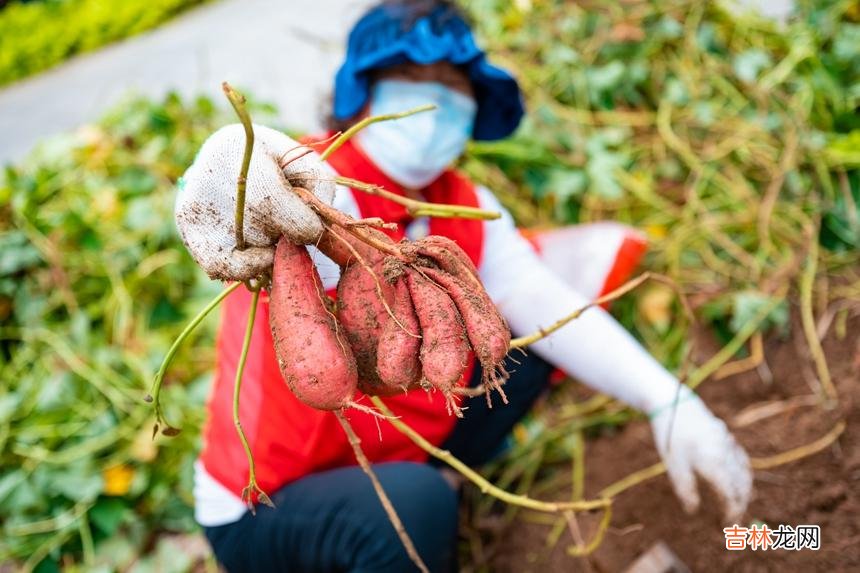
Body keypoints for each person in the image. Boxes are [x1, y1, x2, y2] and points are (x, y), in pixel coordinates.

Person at [175, 2, 753, 571]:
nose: (432, 102)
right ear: (364, 92)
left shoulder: (466, 204)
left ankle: (440, 478)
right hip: (268, 499)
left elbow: (547, 304)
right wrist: (225, 167)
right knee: (414, 503)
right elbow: (242, 190)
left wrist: (670, 402)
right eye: (409, 77)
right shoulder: (314, 181)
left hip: (402, 451)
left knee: (524, 349)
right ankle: (419, 503)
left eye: (453, 85)